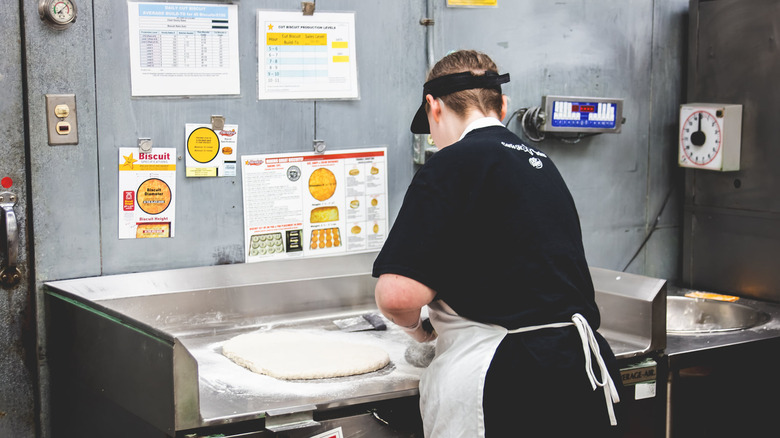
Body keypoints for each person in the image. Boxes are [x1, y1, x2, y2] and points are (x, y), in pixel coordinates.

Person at [372, 50, 622, 437]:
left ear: (433, 108)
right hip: (581, 371)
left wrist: (421, 333)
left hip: (509, 381)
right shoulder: (540, 162)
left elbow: (397, 296)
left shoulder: (451, 163)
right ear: (501, 106)